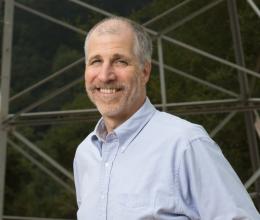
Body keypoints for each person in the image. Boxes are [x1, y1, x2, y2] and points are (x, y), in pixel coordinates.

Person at [73, 16, 260, 220]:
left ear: (145, 71)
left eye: (120, 61)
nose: (105, 75)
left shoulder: (185, 144)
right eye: (96, 61)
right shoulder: (85, 155)